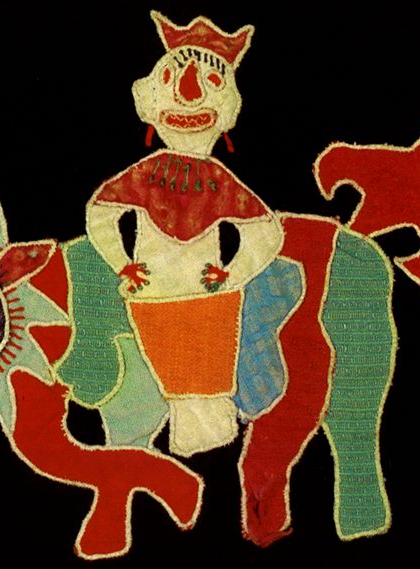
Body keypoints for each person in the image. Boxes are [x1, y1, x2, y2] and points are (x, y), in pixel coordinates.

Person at [86, 11, 283, 456]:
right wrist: (122, 263)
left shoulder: (219, 181)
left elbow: (264, 231)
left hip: (207, 297)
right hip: (155, 295)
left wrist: (233, 274)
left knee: (209, 373)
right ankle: (193, 435)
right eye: (174, 79)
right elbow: (101, 213)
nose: (188, 93)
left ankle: (206, 435)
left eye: (208, 83)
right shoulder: (147, 174)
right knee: (172, 371)